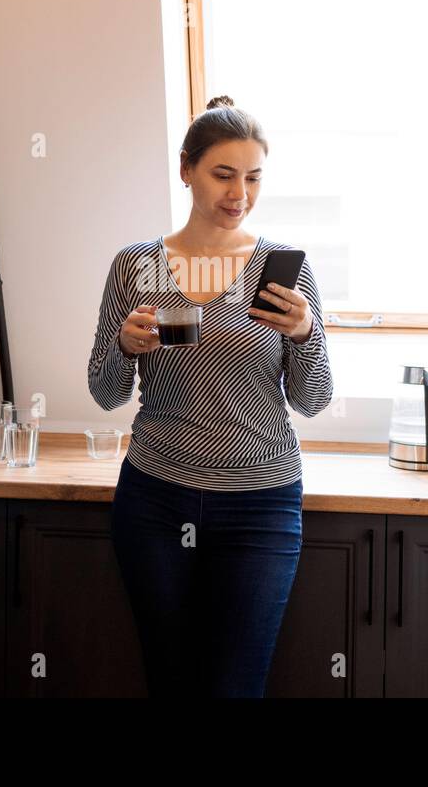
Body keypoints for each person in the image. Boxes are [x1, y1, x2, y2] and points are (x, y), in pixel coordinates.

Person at [87, 95, 333, 697]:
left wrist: (303, 333)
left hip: (261, 506)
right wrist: (125, 346)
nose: (238, 194)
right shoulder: (138, 265)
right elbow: (105, 391)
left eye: (252, 178)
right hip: (155, 502)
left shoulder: (284, 270)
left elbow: (313, 398)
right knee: (170, 681)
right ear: (186, 169)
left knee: (234, 687)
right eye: (223, 174)